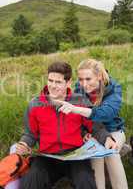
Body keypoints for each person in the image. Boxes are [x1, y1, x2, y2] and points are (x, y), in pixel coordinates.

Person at [11, 61, 116, 189]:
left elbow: (95, 126)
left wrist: (107, 138)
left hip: (75, 156)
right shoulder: (35, 104)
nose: (53, 86)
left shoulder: (79, 100)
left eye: (58, 82)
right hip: (47, 157)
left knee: (85, 181)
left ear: (68, 82)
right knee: (31, 179)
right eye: (50, 80)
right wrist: (24, 144)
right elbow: (30, 134)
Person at [57, 59, 128, 189]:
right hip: (93, 132)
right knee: (95, 155)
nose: (84, 84)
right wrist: (84, 133)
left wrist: (77, 109)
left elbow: (107, 113)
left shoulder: (113, 87)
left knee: (111, 152)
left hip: (114, 130)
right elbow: (77, 119)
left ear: (99, 76)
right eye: (81, 79)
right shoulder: (79, 89)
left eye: (88, 79)